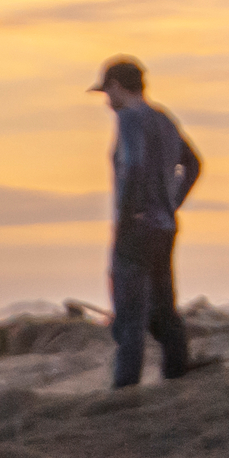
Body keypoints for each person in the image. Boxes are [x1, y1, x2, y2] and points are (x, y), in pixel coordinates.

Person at [89, 56, 203, 388]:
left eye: (106, 92)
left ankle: (126, 387)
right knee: (163, 306)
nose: (106, 101)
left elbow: (135, 165)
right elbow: (193, 164)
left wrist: (126, 217)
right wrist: (171, 204)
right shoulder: (163, 119)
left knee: (129, 313)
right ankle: (176, 373)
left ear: (116, 87)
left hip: (136, 228)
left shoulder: (130, 119)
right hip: (164, 227)